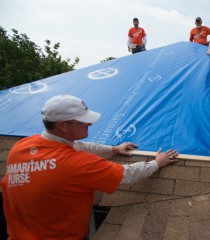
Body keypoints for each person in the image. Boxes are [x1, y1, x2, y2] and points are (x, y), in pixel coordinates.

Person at [1, 94, 178, 239]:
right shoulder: (75, 164)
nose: (90, 124)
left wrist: (114, 148)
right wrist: (156, 163)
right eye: (82, 121)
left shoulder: (21, 147)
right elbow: (125, 174)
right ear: (62, 125)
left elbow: (77, 145)